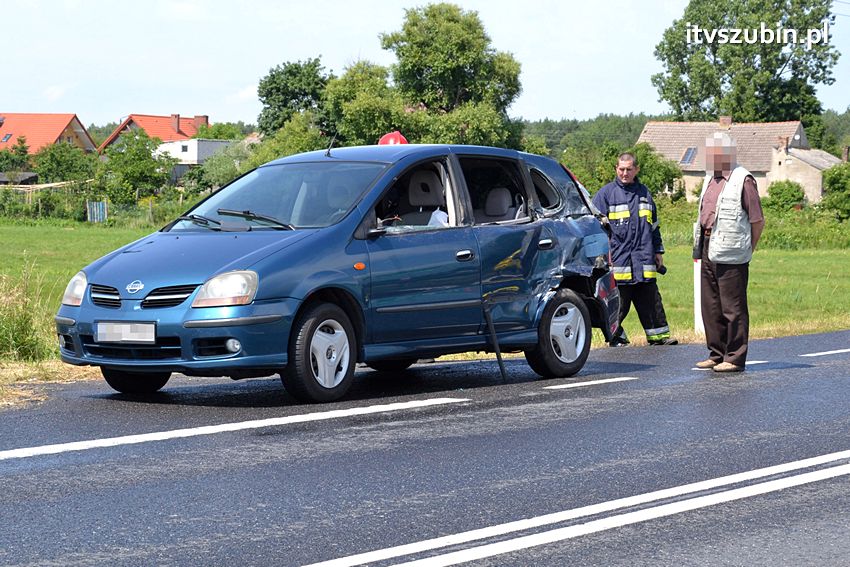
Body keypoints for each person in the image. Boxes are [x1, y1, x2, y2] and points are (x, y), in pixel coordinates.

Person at [694, 133, 765, 373]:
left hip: (733, 250)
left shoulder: (743, 180)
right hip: (707, 246)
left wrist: (748, 248)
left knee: (732, 307)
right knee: (710, 304)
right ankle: (716, 354)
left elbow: (757, 221)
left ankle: (734, 357)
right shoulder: (709, 179)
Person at [592, 152, 677, 347]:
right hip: (619, 261)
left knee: (651, 300)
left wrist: (658, 252)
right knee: (617, 305)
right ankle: (615, 337)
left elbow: (654, 226)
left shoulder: (645, 193)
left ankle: (659, 337)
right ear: (616, 169)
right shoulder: (606, 194)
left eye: (629, 169)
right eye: (621, 169)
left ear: (636, 170)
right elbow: (594, 228)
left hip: (644, 259)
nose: (625, 173)